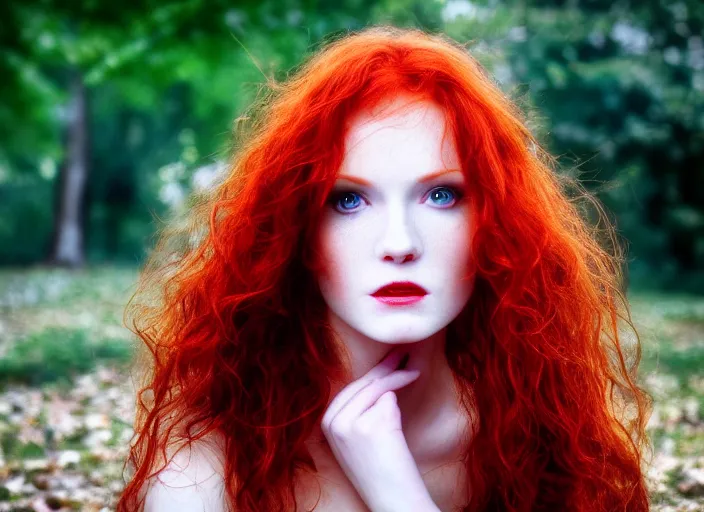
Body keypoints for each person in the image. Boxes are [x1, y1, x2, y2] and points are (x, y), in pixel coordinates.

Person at [116, 26, 653, 512]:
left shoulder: (537, 433)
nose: (399, 244)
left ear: (496, 221)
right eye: (348, 200)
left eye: (441, 194)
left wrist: (396, 491)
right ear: (293, 229)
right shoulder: (211, 457)